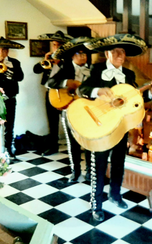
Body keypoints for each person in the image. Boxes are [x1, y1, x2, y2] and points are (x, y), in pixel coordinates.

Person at [77, 34, 152, 221]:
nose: (118, 55)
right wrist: (97, 91)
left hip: (121, 127)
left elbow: (137, 101)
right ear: (107, 53)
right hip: (100, 127)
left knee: (118, 164)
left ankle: (115, 195)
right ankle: (96, 204)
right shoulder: (96, 70)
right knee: (98, 166)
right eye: (114, 51)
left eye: (122, 52)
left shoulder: (129, 75)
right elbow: (80, 90)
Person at [46, 36, 95, 183]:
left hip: (87, 110)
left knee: (88, 142)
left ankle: (89, 172)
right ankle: (75, 171)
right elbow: (50, 83)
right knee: (72, 142)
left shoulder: (92, 71)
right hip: (69, 110)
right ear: (73, 56)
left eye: (85, 54)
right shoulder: (65, 68)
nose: (84, 57)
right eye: (80, 54)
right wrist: (68, 82)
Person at [33, 31, 73, 155]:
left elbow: (71, 74)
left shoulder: (68, 60)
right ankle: (53, 146)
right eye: (54, 45)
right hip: (50, 93)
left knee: (69, 121)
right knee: (52, 121)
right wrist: (45, 62)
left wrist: (60, 63)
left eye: (59, 45)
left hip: (65, 94)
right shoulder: (49, 58)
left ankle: (73, 147)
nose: (56, 47)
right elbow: (36, 70)